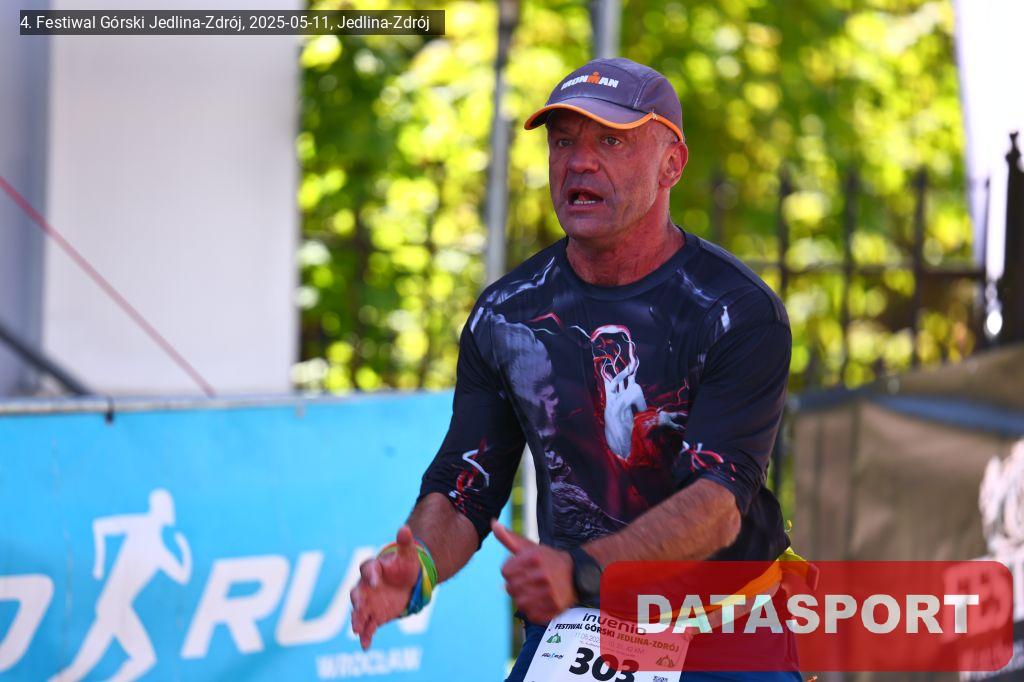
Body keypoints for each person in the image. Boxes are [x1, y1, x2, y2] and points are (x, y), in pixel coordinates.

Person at [349, 57, 798, 680]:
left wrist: (582, 570)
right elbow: (466, 483)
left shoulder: (733, 310)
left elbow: (717, 505)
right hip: (584, 623)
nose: (579, 162)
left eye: (611, 142)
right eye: (563, 142)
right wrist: (418, 566)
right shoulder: (508, 314)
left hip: (724, 626)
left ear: (672, 164)